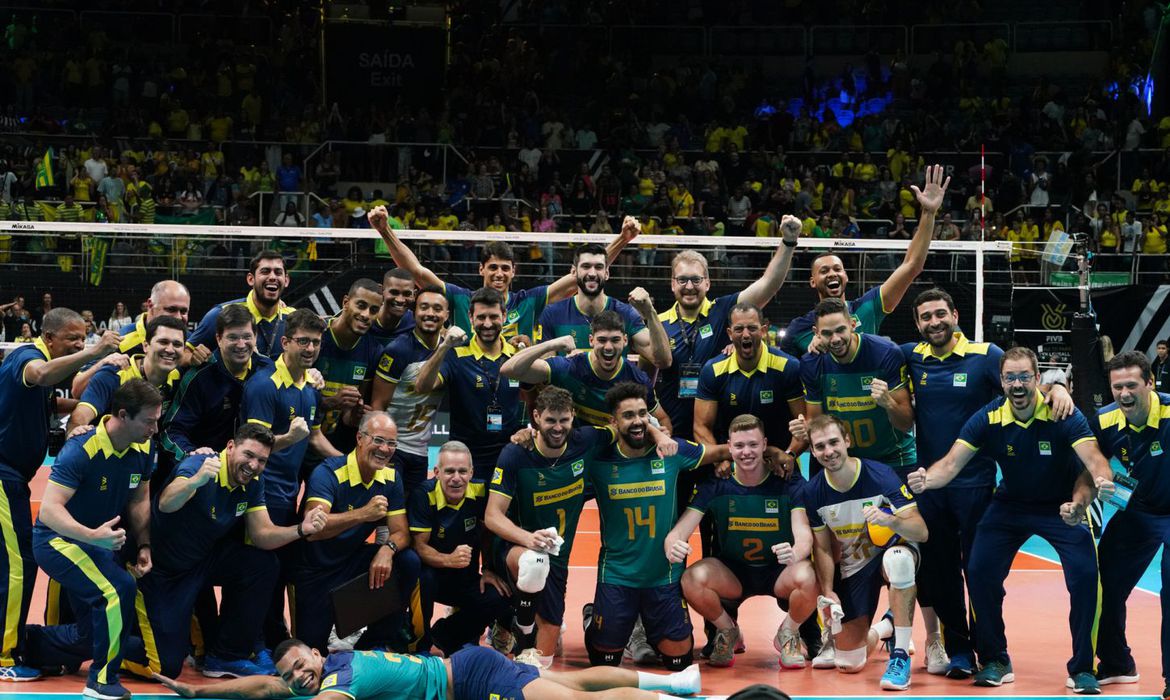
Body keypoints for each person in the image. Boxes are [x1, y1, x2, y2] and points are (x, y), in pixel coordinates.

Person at [907, 346, 1116, 693]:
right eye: (1010, 377)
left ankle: (1083, 667)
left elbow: (1094, 460)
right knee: (979, 570)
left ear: (1037, 378)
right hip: (1010, 505)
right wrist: (927, 479)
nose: (1017, 384)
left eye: (1024, 376)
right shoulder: (988, 418)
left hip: (1062, 506)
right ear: (1001, 380)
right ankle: (995, 659)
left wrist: (1100, 482)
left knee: (1083, 576)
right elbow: (950, 464)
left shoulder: (1061, 412)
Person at [583, 382, 785, 673]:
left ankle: (648, 629)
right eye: (628, 415)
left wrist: (773, 452)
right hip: (617, 574)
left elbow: (719, 453)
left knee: (679, 661)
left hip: (663, 576)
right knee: (604, 662)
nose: (637, 420)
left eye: (643, 413)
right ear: (614, 422)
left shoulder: (672, 452)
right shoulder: (599, 460)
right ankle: (594, 617)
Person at [129, 424, 328, 679]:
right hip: (163, 571)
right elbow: (167, 503)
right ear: (231, 447)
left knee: (262, 564)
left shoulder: (253, 482)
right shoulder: (201, 464)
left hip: (202, 561)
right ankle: (101, 645)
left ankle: (226, 656)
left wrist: (301, 529)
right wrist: (196, 482)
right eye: (249, 455)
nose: (254, 465)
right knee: (165, 665)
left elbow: (261, 535)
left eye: (261, 460)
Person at [0, 309, 120, 681]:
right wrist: (95, 352)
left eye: (83, 338)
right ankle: (6, 657)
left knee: (18, 563)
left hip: (15, 478)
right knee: (18, 566)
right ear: (49, 337)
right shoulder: (27, 357)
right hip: (2, 476)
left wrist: (101, 410)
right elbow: (40, 375)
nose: (78, 344)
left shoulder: (43, 370)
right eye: (72, 339)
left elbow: (52, 403)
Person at [25, 380, 161, 700]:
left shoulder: (142, 448)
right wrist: (92, 537)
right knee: (117, 589)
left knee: (90, 635)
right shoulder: (82, 448)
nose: (155, 429)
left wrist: (144, 544)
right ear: (123, 415)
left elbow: (139, 500)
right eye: (149, 421)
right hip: (56, 540)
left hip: (95, 543)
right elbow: (48, 510)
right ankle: (101, 681)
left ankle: (26, 644)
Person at [665, 415, 816, 669]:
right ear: (729, 447)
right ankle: (728, 630)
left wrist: (795, 552)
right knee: (691, 578)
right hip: (733, 572)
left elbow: (804, 535)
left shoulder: (787, 482)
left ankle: (788, 633)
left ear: (765, 444)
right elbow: (679, 531)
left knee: (810, 575)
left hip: (778, 571)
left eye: (753, 445)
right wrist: (673, 544)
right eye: (739, 446)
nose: (746, 452)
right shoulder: (716, 484)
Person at [371, 206, 638, 345]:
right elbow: (416, 271)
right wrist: (385, 231)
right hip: (467, 383)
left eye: (504, 268)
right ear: (481, 270)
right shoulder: (461, 298)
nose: (498, 274)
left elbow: (587, 272)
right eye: (493, 267)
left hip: (515, 392)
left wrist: (623, 240)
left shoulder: (529, 301)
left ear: (514, 271)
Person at [800, 414, 928, 691]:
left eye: (834, 442)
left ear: (847, 441)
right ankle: (889, 626)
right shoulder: (813, 493)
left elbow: (921, 531)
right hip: (854, 567)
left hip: (891, 553)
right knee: (849, 662)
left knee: (899, 562)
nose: (829, 451)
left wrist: (892, 521)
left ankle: (900, 657)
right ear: (812, 451)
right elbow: (821, 547)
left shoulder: (880, 476)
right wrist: (828, 590)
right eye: (820, 446)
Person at [153, 638, 703, 700]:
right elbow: (265, 685)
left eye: (302, 664)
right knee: (572, 681)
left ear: (319, 656)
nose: (299, 674)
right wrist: (200, 695)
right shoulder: (328, 669)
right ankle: (677, 683)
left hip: (473, 680)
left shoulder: (342, 682)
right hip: (468, 668)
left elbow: (275, 691)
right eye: (294, 671)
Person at [780, 164, 949, 357]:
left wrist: (928, 213)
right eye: (824, 271)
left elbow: (912, 266)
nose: (832, 273)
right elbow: (787, 377)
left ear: (846, 276)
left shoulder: (868, 307)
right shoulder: (798, 329)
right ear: (812, 281)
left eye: (837, 269)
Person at [295, 411, 423, 654]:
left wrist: (387, 550)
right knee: (313, 651)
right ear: (359, 438)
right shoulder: (328, 473)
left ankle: (374, 642)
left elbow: (401, 533)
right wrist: (364, 514)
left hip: (352, 560)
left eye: (392, 443)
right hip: (316, 568)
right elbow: (313, 531)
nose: (385, 449)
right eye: (378, 440)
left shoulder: (391, 477)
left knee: (407, 561)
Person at [1089, 351, 1170, 697]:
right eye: (1117, 386)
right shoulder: (1105, 420)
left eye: (1132, 385)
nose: (1124, 393)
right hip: (1139, 511)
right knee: (1105, 579)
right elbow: (1088, 457)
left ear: (1150, 383)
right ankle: (1116, 662)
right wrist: (1099, 478)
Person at [408, 441, 512, 656]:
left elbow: (488, 533)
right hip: (432, 576)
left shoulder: (481, 490)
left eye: (463, 471)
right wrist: (449, 559)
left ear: (471, 472)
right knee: (421, 577)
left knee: (499, 595)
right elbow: (419, 547)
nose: (456, 478)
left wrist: (489, 569)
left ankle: (443, 636)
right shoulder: (423, 495)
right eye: (449, 471)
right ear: (436, 472)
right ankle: (419, 646)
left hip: (465, 577)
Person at [793, 298, 915, 475]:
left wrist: (888, 403)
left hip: (893, 459)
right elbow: (816, 422)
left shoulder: (886, 353)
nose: (835, 339)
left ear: (852, 324)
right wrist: (804, 430)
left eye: (840, 330)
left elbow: (905, 424)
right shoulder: (812, 363)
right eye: (827, 333)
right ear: (816, 333)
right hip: (843, 462)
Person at [414, 288, 522, 479]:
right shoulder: (455, 355)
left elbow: (534, 397)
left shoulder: (517, 355)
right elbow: (421, 387)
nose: (487, 324)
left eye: (493, 316)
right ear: (470, 318)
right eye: (481, 317)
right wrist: (444, 346)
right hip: (465, 459)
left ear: (504, 316)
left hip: (508, 455)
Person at [502, 308, 670, 429]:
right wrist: (552, 344)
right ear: (591, 341)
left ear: (625, 341)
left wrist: (660, 436)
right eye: (602, 340)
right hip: (574, 458)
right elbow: (508, 370)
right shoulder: (570, 367)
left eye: (615, 340)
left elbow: (663, 420)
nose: (609, 347)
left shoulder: (637, 379)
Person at [694, 301, 804, 468]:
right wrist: (718, 460)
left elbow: (803, 423)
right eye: (739, 329)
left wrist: (790, 454)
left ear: (764, 330)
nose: (746, 335)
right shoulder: (713, 370)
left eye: (752, 328)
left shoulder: (788, 366)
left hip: (778, 464)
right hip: (732, 465)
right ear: (729, 334)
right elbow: (701, 426)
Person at [161, 304, 272, 462]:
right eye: (233, 337)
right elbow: (173, 432)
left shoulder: (268, 371)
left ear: (255, 337)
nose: (241, 344)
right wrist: (192, 455)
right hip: (207, 469)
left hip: (253, 468)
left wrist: (309, 375)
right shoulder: (199, 377)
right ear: (219, 339)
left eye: (247, 337)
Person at [536, 243, 671, 368]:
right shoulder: (552, 314)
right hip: (568, 393)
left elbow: (663, 361)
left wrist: (651, 313)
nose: (592, 273)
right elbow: (543, 374)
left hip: (613, 393)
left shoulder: (626, 314)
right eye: (586, 266)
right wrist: (568, 365)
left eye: (599, 267)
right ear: (573, 272)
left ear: (606, 273)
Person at [370, 285, 448, 495]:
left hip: (422, 451)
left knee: (413, 515)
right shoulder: (398, 350)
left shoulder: (452, 349)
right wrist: (380, 448)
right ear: (414, 312)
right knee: (386, 515)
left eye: (437, 309)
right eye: (424, 307)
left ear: (447, 314)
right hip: (394, 449)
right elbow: (378, 404)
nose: (430, 313)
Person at [71, 280, 191, 398]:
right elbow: (77, 390)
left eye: (184, 311)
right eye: (171, 310)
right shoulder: (120, 340)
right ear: (150, 305)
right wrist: (102, 363)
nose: (178, 317)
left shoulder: (192, 343)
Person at [67, 316, 187, 434]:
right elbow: (80, 416)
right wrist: (75, 434)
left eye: (177, 344)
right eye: (163, 342)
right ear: (146, 346)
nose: (170, 350)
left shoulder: (179, 379)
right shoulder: (114, 374)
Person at [314, 279, 385, 456]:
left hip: (337, 444)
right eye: (361, 305)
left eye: (374, 310)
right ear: (346, 303)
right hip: (300, 442)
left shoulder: (374, 351)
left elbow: (348, 417)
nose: (366, 314)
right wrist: (330, 402)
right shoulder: (316, 337)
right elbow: (293, 398)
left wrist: (356, 415)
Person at [188, 250, 296, 363]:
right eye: (265, 271)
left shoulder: (294, 318)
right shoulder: (221, 314)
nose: (272, 277)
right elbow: (185, 354)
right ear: (251, 279)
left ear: (286, 280)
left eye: (278, 272)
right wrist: (193, 358)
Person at [366, 268, 416, 343]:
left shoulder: (416, 324)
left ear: (414, 295)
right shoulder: (365, 319)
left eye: (407, 294)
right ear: (381, 290)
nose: (400, 300)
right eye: (394, 292)